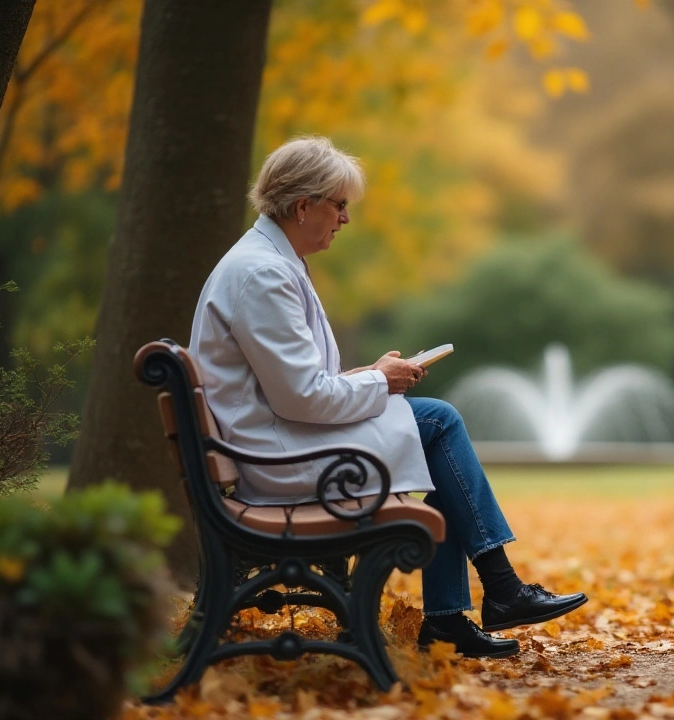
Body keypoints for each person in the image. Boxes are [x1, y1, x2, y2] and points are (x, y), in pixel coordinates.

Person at [190, 136, 587, 659]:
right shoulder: (263, 273)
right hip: (278, 457)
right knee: (440, 423)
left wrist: (371, 373)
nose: (344, 219)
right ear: (303, 205)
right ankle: (498, 589)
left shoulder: (266, 262)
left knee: (442, 449)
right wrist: (381, 382)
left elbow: (294, 383)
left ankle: (466, 609)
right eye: (339, 205)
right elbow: (302, 397)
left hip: (276, 441)